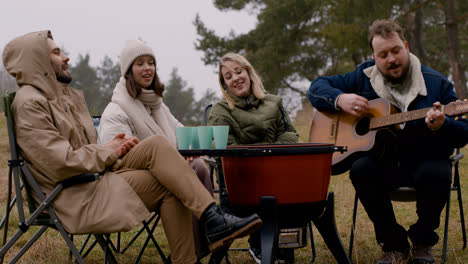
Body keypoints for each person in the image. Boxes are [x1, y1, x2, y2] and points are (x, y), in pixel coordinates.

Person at [2, 30, 262, 264]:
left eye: (151, 63)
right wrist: (109, 149)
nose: (66, 57)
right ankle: (212, 220)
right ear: (38, 61)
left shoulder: (58, 97)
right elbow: (60, 161)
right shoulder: (31, 103)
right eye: (57, 52)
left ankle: (202, 234)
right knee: (165, 167)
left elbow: (86, 150)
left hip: (91, 179)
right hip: (72, 196)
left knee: (163, 162)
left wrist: (114, 149)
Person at [308, 19, 468, 264]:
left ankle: (423, 242)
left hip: (424, 164)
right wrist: (341, 100)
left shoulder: (436, 83)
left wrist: (443, 124)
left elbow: (463, 132)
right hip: (384, 165)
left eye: (396, 51)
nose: (391, 59)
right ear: (374, 56)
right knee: (361, 169)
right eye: (383, 54)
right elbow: (316, 87)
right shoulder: (362, 78)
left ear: (405, 46)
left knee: (437, 171)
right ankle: (393, 244)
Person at [97, 40, 213, 260]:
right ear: (128, 71)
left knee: (197, 164)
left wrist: (192, 147)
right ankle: (210, 233)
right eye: (140, 63)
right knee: (186, 170)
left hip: (165, 175)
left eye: (151, 62)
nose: (148, 67)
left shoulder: (157, 105)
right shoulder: (116, 109)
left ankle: (207, 237)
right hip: (127, 182)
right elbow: (114, 157)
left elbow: (181, 133)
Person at [208, 52, 299, 263]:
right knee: (270, 194)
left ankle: (277, 244)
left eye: (238, 71)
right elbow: (222, 147)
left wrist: (272, 153)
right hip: (242, 183)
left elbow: (290, 134)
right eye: (228, 76)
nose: (235, 78)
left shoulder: (274, 102)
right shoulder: (220, 111)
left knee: (293, 189)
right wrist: (260, 156)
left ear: (249, 72)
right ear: (225, 85)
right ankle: (260, 245)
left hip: (278, 175)